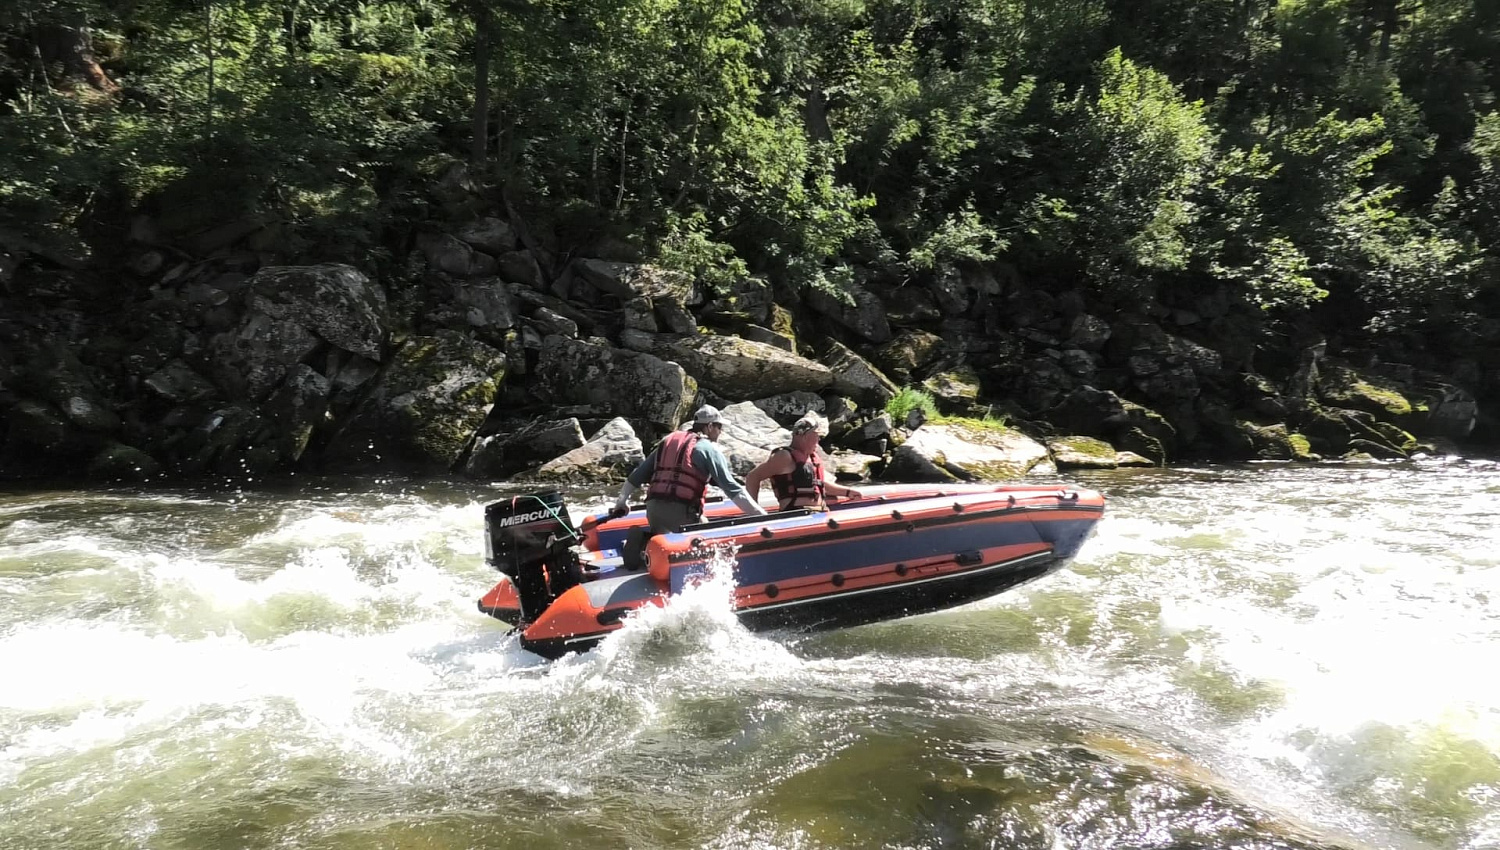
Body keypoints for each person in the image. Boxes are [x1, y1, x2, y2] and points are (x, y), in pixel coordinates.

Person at [612, 404, 767, 537]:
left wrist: (621, 502)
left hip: (653, 509)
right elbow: (733, 489)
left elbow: (636, 476)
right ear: (710, 427)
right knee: (711, 538)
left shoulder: (668, 441)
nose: (721, 431)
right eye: (719, 427)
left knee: (662, 535)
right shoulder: (708, 449)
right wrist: (762, 517)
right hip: (682, 514)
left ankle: (645, 543)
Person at [744, 411, 863, 511]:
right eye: (816, 435)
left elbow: (818, 484)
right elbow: (753, 477)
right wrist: (754, 510)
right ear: (804, 436)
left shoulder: (811, 457)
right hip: (797, 514)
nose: (819, 439)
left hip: (819, 513)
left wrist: (847, 492)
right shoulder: (784, 456)